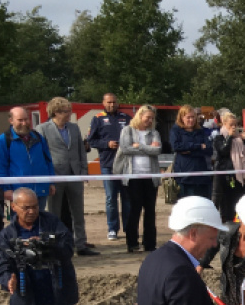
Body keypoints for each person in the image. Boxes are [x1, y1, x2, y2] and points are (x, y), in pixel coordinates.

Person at [37, 98, 96, 256]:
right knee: (53, 213)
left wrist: (84, 171)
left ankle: (81, 244)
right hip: (55, 176)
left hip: (74, 174)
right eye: (65, 111)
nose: (69, 114)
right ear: (55, 112)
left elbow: (81, 151)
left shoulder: (74, 128)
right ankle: (53, 244)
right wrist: (48, 177)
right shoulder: (42, 129)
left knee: (78, 212)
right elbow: (41, 155)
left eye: (69, 110)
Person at [115, 105, 163, 253]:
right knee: (133, 210)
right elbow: (125, 148)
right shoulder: (127, 130)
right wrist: (148, 148)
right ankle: (132, 243)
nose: (149, 120)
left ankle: (149, 243)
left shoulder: (154, 132)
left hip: (150, 176)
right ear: (140, 116)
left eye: (152, 118)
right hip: (132, 176)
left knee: (150, 211)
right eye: (147, 117)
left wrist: (139, 146)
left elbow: (158, 150)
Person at [87, 93, 132, 241]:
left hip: (125, 164)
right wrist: (107, 144)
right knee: (111, 198)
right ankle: (112, 229)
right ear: (103, 103)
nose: (112, 105)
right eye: (109, 102)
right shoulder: (98, 118)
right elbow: (91, 141)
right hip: (108, 164)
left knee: (127, 198)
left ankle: (129, 228)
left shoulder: (126, 118)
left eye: (114, 102)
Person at [0, 107, 56, 211]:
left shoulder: (38, 137)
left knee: (40, 224)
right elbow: (0, 167)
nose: (24, 123)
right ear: (11, 121)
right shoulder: (3, 141)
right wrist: (6, 189)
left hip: (40, 191)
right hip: (18, 194)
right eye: (20, 120)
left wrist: (51, 182)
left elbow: (48, 161)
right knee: (19, 225)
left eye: (26, 119)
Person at [212, 111, 245, 222]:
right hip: (227, 175)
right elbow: (223, 151)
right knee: (227, 204)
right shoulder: (219, 137)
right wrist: (229, 138)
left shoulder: (240, 138)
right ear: (224, 124)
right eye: (231, 125)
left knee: (239, 202)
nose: (234, 127)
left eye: (235, 124)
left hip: (242, 176)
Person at [170, 105, 213, 200]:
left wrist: (188, 150)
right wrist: (198, 146)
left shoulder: (200, 131)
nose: (191, 120)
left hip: (202, 175)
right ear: (182, 118)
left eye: (193, 117)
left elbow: (209, 149)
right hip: (184, 176)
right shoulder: (176, 130)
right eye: (188, 117)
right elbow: (176, 147)